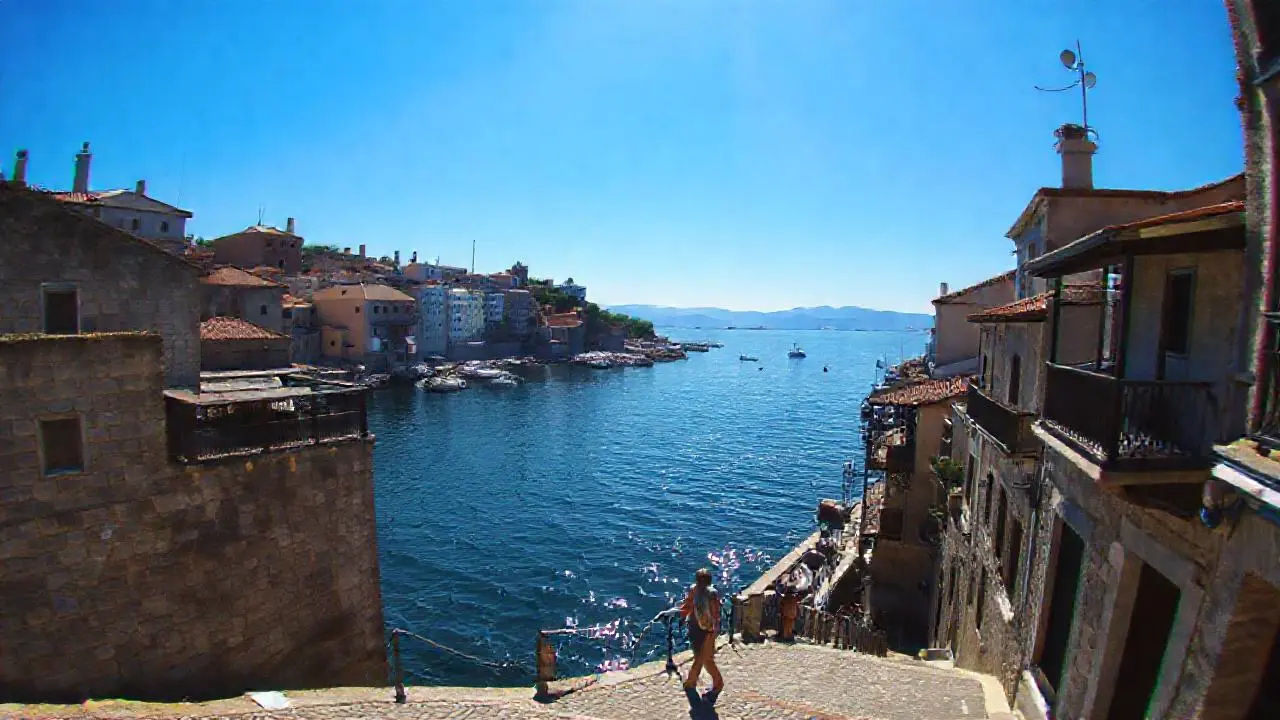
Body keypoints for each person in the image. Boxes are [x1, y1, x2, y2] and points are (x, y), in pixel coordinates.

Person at [679, 567, 724, 703]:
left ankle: (717, 684)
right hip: (694, 628)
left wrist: (713, 633)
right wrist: (680, 614)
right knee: (699, 656)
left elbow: (716, 615)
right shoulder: (694, 589)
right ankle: (691, 682)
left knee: (706, 659)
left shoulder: (712, 594)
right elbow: (688, 605)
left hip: (707, 630)